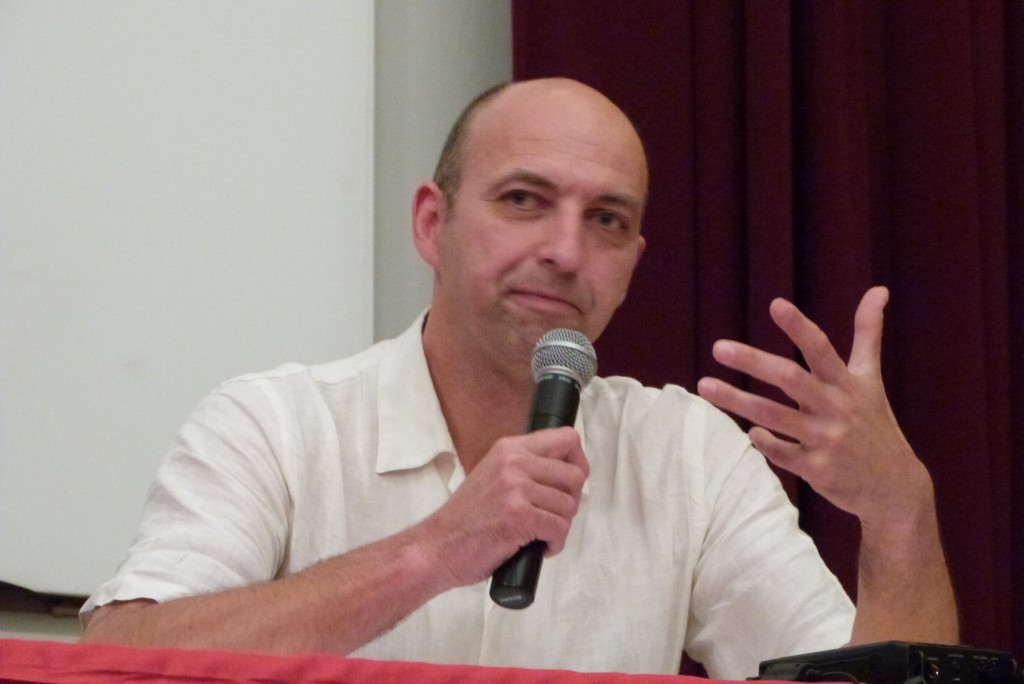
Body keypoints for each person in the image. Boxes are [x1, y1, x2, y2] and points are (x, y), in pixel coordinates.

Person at [80, 78, 958, 677]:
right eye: (524, 200)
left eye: (606, 220)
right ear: (433, 224)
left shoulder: (689, 455)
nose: (566, 251)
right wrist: (432, 552)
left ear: (632, 262)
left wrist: (900, 513)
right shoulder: (273, 425)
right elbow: (118, 663)